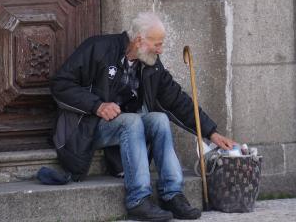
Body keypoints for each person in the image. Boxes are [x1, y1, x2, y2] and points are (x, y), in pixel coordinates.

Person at [50, 12, 236, 221]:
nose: (161, 50)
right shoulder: (98, 48)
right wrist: (97, 106)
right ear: (139, 40)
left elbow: (176, 100)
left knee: (159, 120)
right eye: (157, 44)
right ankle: (138, 199)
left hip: (124, 129)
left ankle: (172, 193)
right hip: (86, 128)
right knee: (132, 120)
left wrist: (211, 132)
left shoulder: (151, 64)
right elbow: (60, 84)